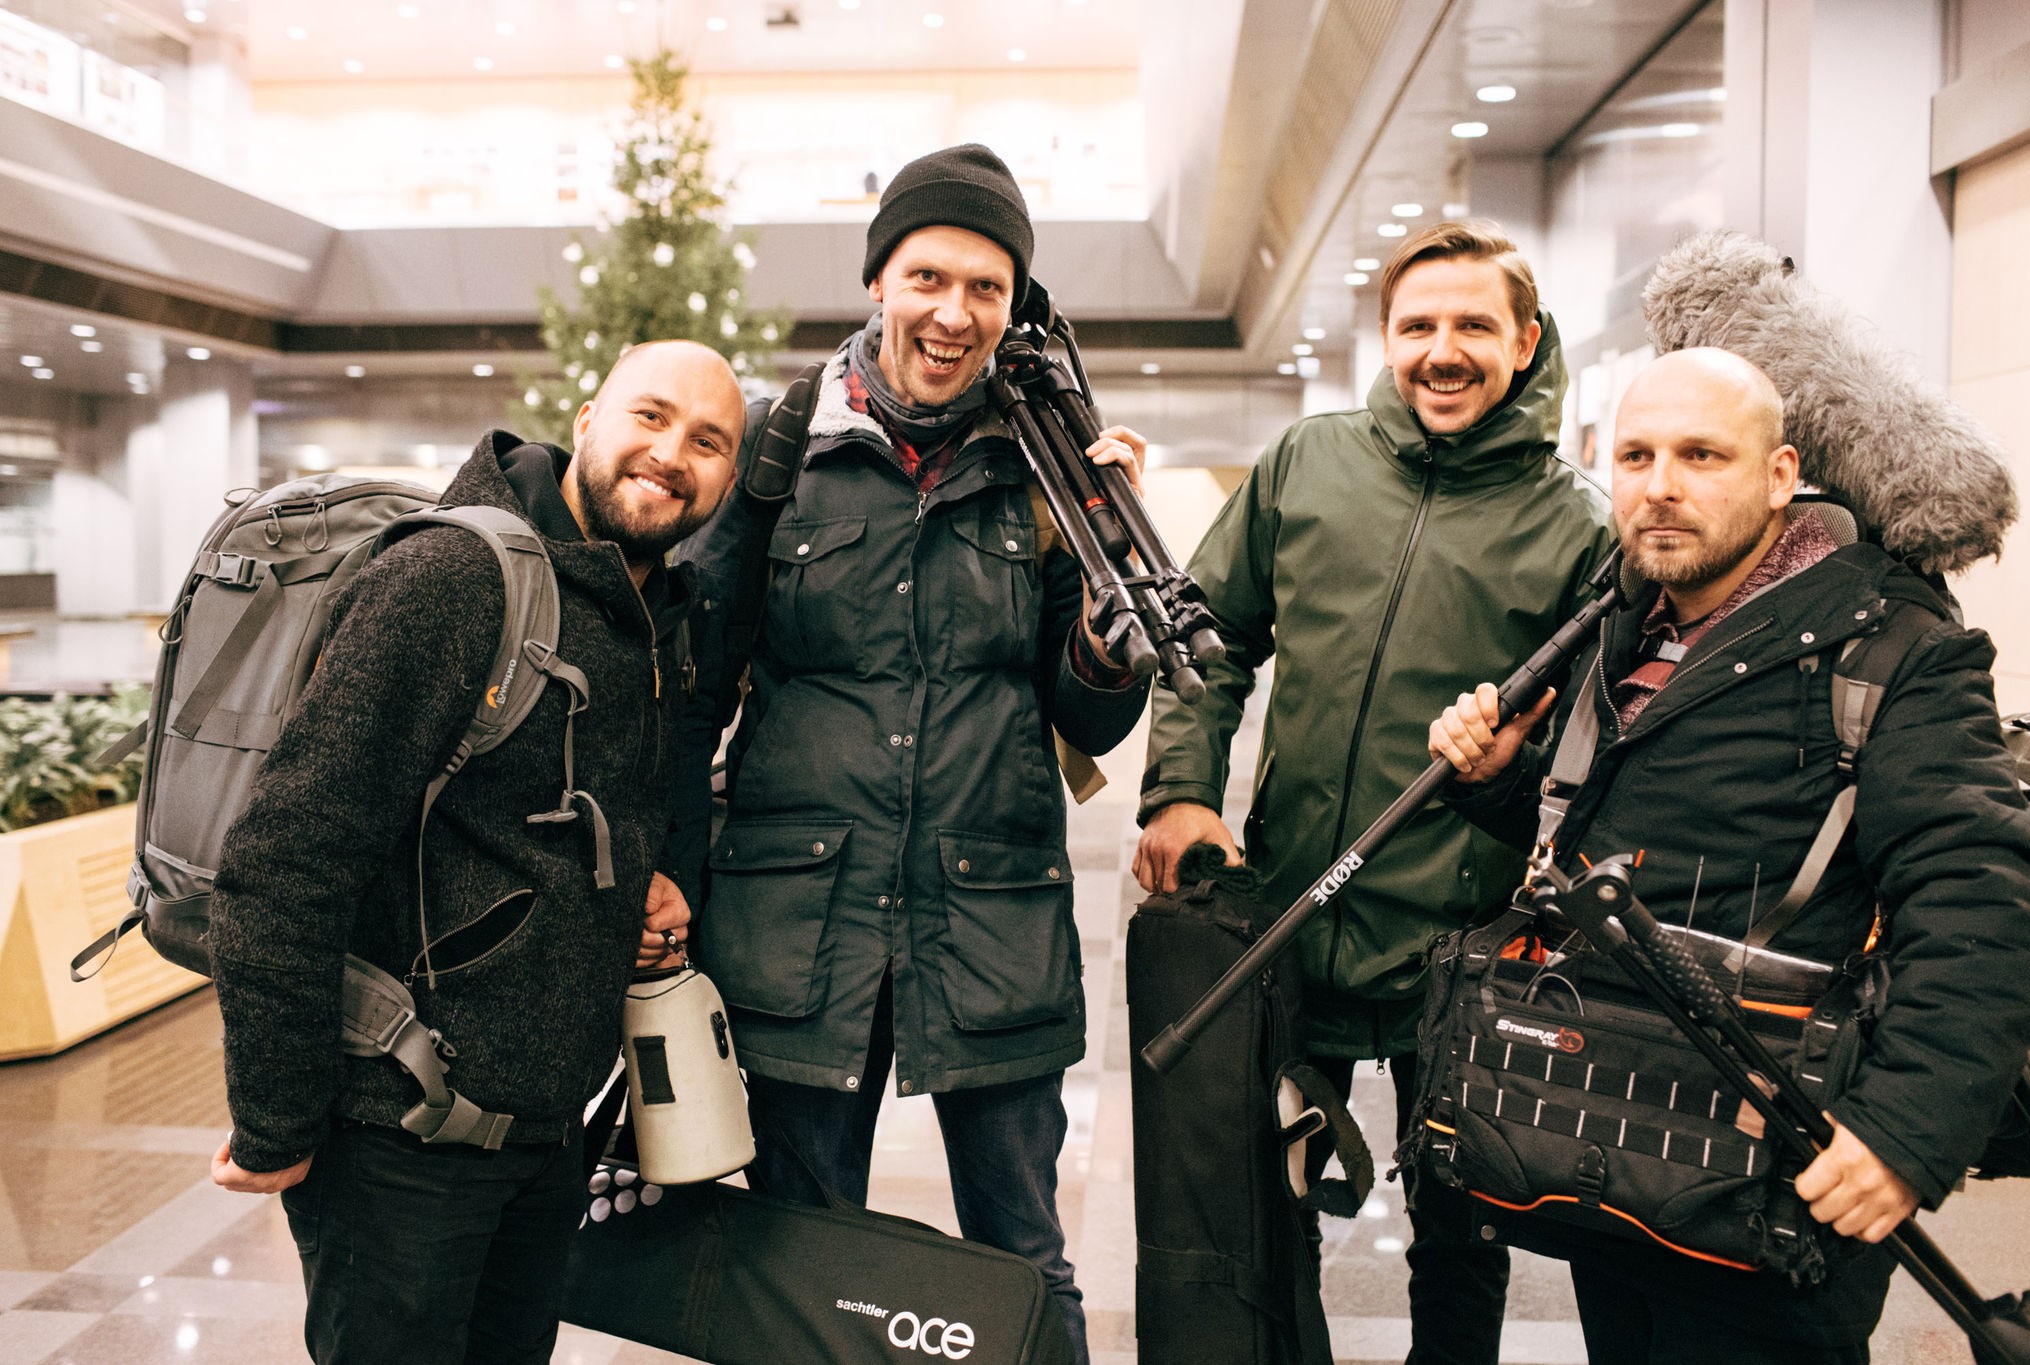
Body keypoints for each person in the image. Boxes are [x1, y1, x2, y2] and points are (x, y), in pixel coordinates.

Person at [1427, 347, 2030, 1364]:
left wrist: (1903, 1131)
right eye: (1636, 456)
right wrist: (1504, 782)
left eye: (1701, 454)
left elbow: (1981, 894)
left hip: (1776, 1171)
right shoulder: (1625, 622)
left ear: (1778, 476)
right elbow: (1622, 857)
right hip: (1621, 1136)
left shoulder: (1889, 646)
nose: (1660, 485)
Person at [685, 143, 1149, 1365]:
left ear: (1014, 306)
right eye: (928, 278)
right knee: (798, 1258)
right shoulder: (778, 448)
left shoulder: (1051, 465)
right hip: (798, 928)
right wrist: (663, 873)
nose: (953, 314)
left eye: (986, 288)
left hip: (988, 923)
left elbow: (1091, 715)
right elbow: (694, 689)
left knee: (1023, 1258)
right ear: (877, 280)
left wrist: (1114, 588)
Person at [207, 341, 745, 1365]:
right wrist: (276, 1120)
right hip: (400, 1141)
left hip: (540, 1137)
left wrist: (638, 892)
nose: (672, 454)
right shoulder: (453, 580)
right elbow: (285, 856)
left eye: (708, 441)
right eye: (650, 416)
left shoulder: (650, 616)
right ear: (587, 420)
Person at [1132, 220, 1610, 1364]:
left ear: (1524, 341)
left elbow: (1587, 766)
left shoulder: (1577, 525)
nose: (1441, 352)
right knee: (1268, 1205)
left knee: (1458, 1234)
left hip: (1461, 948)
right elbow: (1206, 635)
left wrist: (1510, 783)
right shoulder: (1308, 462)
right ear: (1386, 337)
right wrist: (1180, 789)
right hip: (1286, 916)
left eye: (1472, 326)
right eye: (1416, 325)